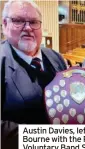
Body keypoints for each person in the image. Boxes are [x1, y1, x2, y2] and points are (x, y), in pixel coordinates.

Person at [1, 0, 67, 148]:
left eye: (33, 22)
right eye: (18, 21)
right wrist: (45, 139)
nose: (28, 28)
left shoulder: (56, 58)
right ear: (5, 25)